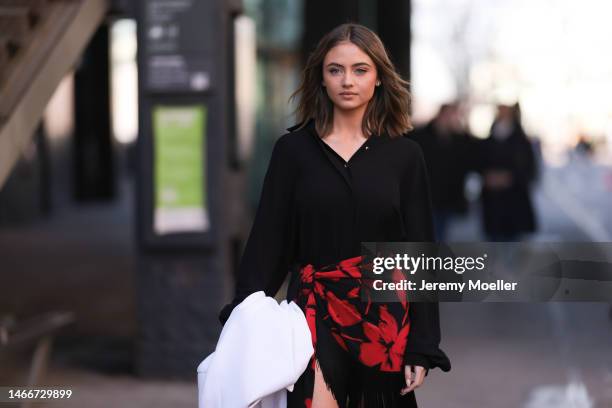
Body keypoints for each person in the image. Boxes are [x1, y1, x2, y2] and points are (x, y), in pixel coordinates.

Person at [219, 23, 450, 408]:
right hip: (312, 317)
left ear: (378, 79)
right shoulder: (292, 152)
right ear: (321, 78)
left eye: (360, 69)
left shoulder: (405, 156)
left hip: (384, 321)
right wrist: (240, 319)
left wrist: (422, 348)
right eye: (335, 69)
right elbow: (268, 244)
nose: (348, 80)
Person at [410, 103, 477, 241]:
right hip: (426, 194)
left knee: (440, 232)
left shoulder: (458, 139)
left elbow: (470, 157)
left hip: (447, 196)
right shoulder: (421, 136)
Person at [478, 103, 537, 241]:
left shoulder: (521, 141)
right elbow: (479, 162)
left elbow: (529, 169)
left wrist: (510, 178)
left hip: (514, 200)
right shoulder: (489, 140)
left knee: (512, 243)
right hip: (493, 201)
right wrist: (488, 176)